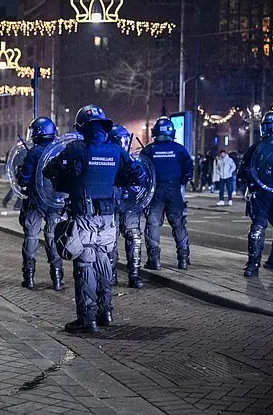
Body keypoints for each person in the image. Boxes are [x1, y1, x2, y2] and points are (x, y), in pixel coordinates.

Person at [43, 104, 145, 333]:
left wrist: (70, 179)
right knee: (104, 262)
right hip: (108, 218)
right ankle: (106, 313)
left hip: (84, 216)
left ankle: (87, 319)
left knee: (85, 264)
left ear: (81, 127)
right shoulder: (116, 151)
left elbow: (49, 171)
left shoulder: (75, 149)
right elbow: (137, 175)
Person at [16, 117, 64, 291]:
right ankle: (57, 278)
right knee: (53, 237)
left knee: (31, 237)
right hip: (55, 202)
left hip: (35, 201)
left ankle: (29, 277)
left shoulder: (34, 152)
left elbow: (24, 179)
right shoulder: (59, 150)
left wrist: (19, 173)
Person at [141, 117, 194, 270]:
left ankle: (154, 260)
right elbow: (188, 170)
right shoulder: (179, 149)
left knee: (153, 224)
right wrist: (181, 181)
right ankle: (183, 259)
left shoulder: (149, 150)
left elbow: (142, 171)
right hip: (174, 190)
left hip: (155, 191)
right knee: (179, 224)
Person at [238, 110, 273, 277]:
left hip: (260, 193)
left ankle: (253, 266)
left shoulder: (255, 148)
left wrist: (249, 183)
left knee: (258, 227)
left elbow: (242, 172)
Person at [107, 125, 144, 289]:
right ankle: (111, 275)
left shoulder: (131, 159)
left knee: (134, 238)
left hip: (129, 204)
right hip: (111, 204)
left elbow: (141, 178)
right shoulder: (108, 158)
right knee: (110, 241)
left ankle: (134, 275)